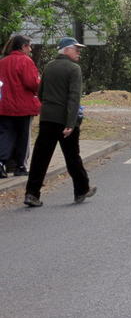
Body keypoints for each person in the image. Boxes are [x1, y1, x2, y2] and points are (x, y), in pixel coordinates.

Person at [24, 37, 96, 207]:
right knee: (72, 157)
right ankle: (81, 189)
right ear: (66, 50)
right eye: (76, 49)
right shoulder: (74, 69)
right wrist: (71, 123)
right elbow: (73, 98)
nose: (78, 52)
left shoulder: (49, 67)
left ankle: (31, 193)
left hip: (48, 117)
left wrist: (49, 107)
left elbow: (40, 93)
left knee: (40, 157)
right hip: (65, 120)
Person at [0, 35, 41, 178]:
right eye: (29, 46)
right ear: (23, 46)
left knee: (5, 135)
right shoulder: (26, 61)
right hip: (23, 106)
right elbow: (32, 83)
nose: (30, 49)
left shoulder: (3, 62)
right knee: (23, 137)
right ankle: (20, 166)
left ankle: (1, 163)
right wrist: (39, 82)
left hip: (4, 106)